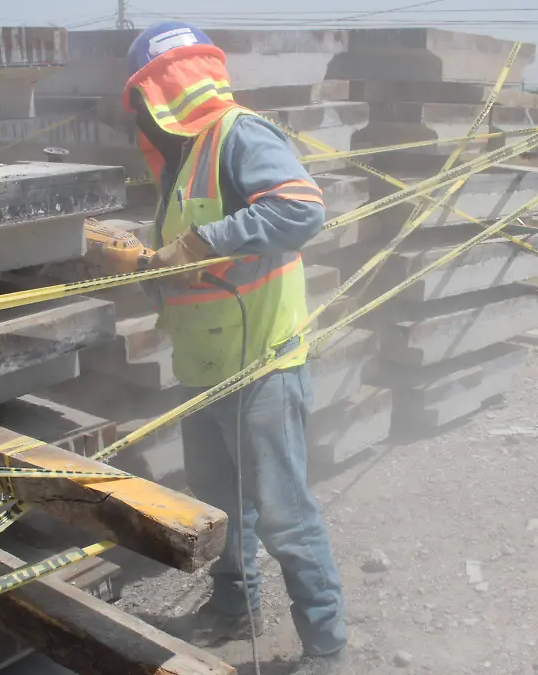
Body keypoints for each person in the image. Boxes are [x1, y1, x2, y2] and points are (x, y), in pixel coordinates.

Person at [122, 21, 348, 674]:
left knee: (284, 515)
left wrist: (199, 244)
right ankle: (234, 607)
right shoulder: (181, 159)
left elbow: (301, 209)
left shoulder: (238, 134)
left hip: (263, 363)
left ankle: (326, 647)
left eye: (148, 96)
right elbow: (189, 244)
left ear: (169, 88)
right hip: (205, 367)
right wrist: (146, 255)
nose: (144, 113)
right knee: (220, 504)